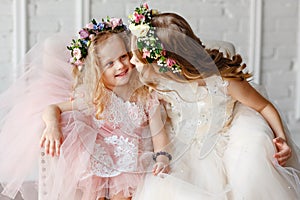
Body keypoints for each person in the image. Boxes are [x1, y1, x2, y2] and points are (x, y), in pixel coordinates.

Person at [128, 3, 300, 199]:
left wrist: (282, 140)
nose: (132, 61)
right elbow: (158, 133)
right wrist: (162, 158)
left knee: (251, 163)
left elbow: (264, 106)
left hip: (224, 138)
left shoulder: (223, 80)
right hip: (181, 145)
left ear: (163, 62)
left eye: (137, 57)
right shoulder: (155, 83)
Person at [0, 17, 171, 200]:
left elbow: (158, 135)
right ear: (98, 71)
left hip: (130, 164)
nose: (121, 66)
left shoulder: (146, 95)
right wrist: (52, 126)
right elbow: (52, 108)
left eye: (123, 57)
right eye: (110, 63)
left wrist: (162, 158)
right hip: (99, 164)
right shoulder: (95, 97)